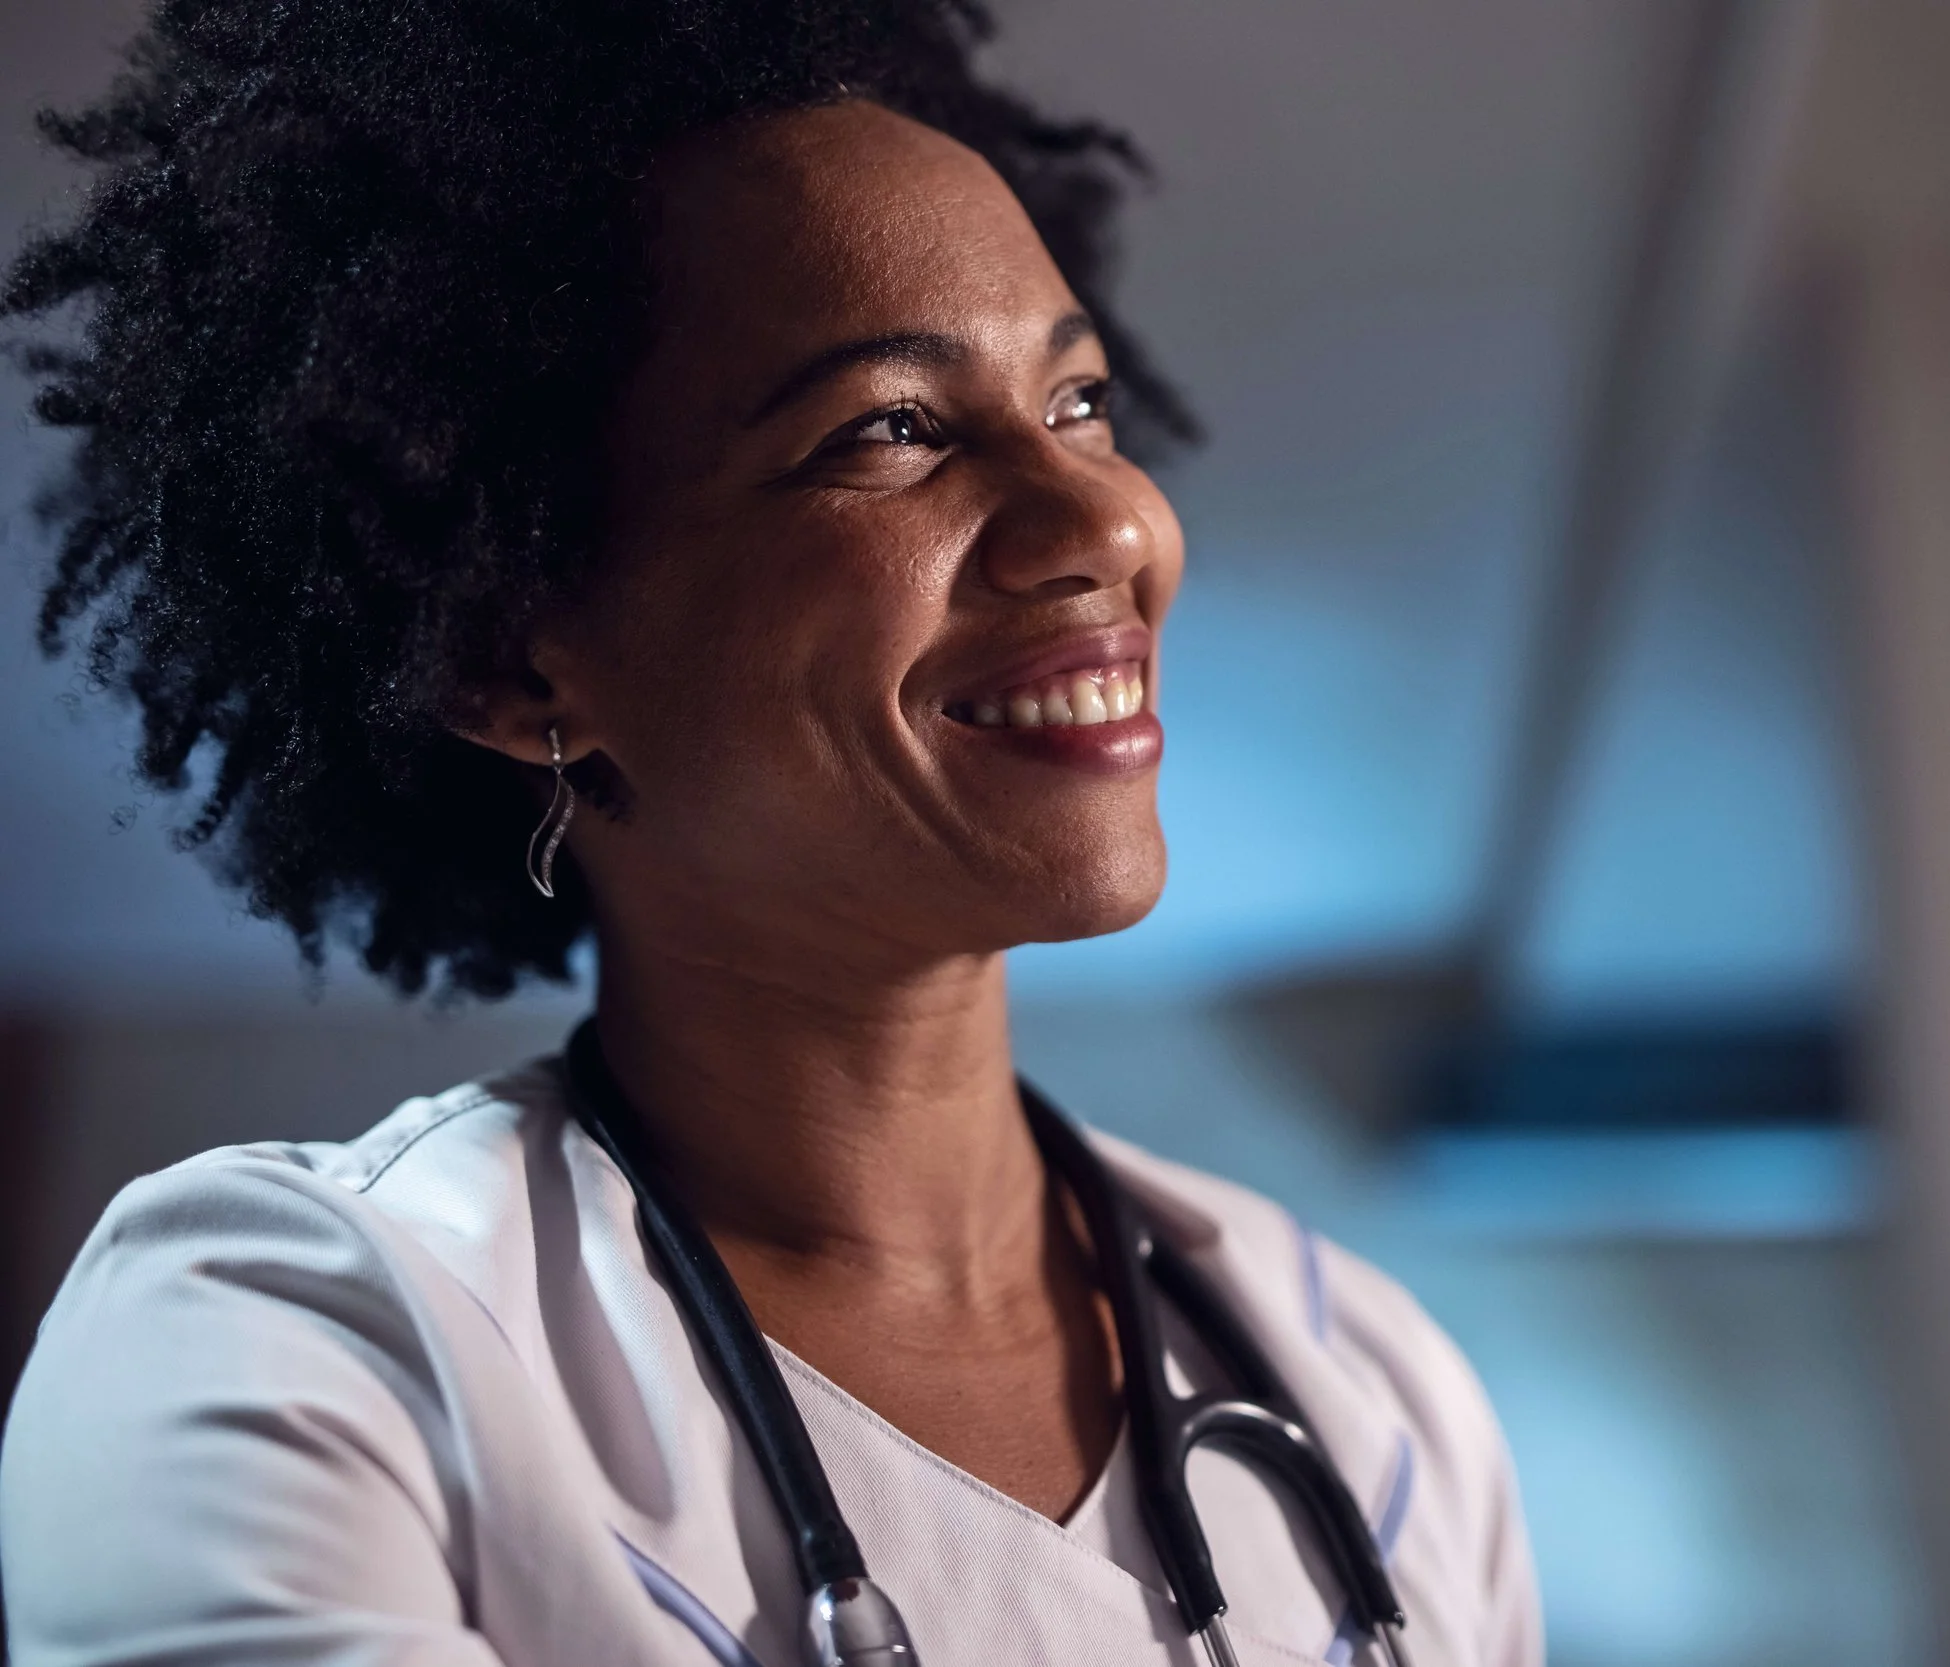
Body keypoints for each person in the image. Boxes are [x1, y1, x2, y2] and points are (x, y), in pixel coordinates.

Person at [0, 2, 1541, 1664]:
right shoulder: (297, 1340)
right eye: (891, 427)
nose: (1108, 516)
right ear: (510, 657)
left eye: (1080, 400)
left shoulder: (1374, 1394)